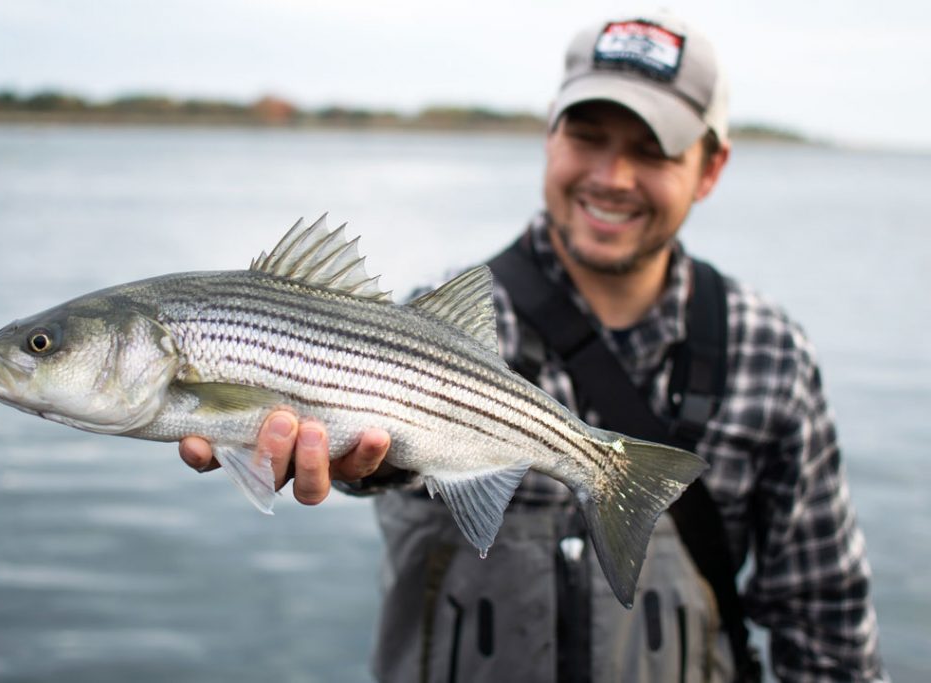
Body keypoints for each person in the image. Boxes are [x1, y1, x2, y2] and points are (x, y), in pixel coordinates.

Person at [179, 11, 886, 682]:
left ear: (710, 168)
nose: (611, 176)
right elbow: (381, 456)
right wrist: (363, 462)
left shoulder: (769, 354)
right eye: (587, 137)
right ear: (550, 134)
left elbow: (825, 617)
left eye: (653, 150)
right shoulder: (434, 318)